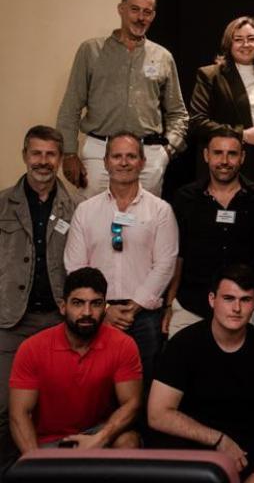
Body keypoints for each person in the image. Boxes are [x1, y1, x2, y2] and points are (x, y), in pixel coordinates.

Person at [148, 264, 254, 482]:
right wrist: (219, 440)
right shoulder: (184, 344)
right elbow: (157, 414)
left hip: (247, 456)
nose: (236, 308)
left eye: (245, 300)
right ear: (211, 300)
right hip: (192, 452)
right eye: (228, 298)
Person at [63, 132, 177, 387]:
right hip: (95, 316)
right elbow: (75, 266)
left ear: (142, 162)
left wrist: (132, 308)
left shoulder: (161, 211)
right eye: (116, 156)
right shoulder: (86, 210)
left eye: (131, 156)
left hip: (145, 318)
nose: (123, 162)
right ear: (105, 162)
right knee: (95, 389)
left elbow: (165, 264)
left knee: (143, 390)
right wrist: (104, 310)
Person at [56, 0, 187, 197]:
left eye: (147, 12)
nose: (140, 17)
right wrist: (69, 153)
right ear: (121, 9)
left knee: (144, 223)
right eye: (135, 10)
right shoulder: (91, 50)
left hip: (148, 155)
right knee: (93, 222)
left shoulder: (163, 56)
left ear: (153, 15)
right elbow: (71, 106)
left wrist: (167, 151)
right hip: (100, 152)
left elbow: (178, 112)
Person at [0, 126, 81, 463]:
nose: (43, 162)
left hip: (57, 321)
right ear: (24, 156)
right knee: (5, 407)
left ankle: (51, 471)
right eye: (37, 153)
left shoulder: (78, 205)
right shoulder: (3, 203)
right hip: (10, 321)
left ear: (60, 159)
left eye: (50, 154)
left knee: (56, 407)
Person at [9, 267, 142, 453]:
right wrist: (36, 461)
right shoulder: (32, 348)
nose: (87, 312)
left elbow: (132, 403)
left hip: (97, 433)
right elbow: (19, 413)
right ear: (63, 307)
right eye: (78, 303)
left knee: (128, 441)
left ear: (105, 307)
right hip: (48, 441)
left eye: (96, 304)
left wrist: (99, 439)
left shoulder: (123, 344)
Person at [165, 129, 254, 337]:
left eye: (232, 154)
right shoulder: (185, 197)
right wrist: (168, 305)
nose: (225, 160)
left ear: (243, 157)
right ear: (206, 155)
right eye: (218, 153)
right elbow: (178, 255)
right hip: (191, 305)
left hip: (242, 308)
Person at [189, 16, 254, 184]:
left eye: (251, 39)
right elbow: (197, 121)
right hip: (227, 162)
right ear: (229, 44)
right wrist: (240, 134)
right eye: (238, 40)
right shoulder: (211, 76)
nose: (246, 45)